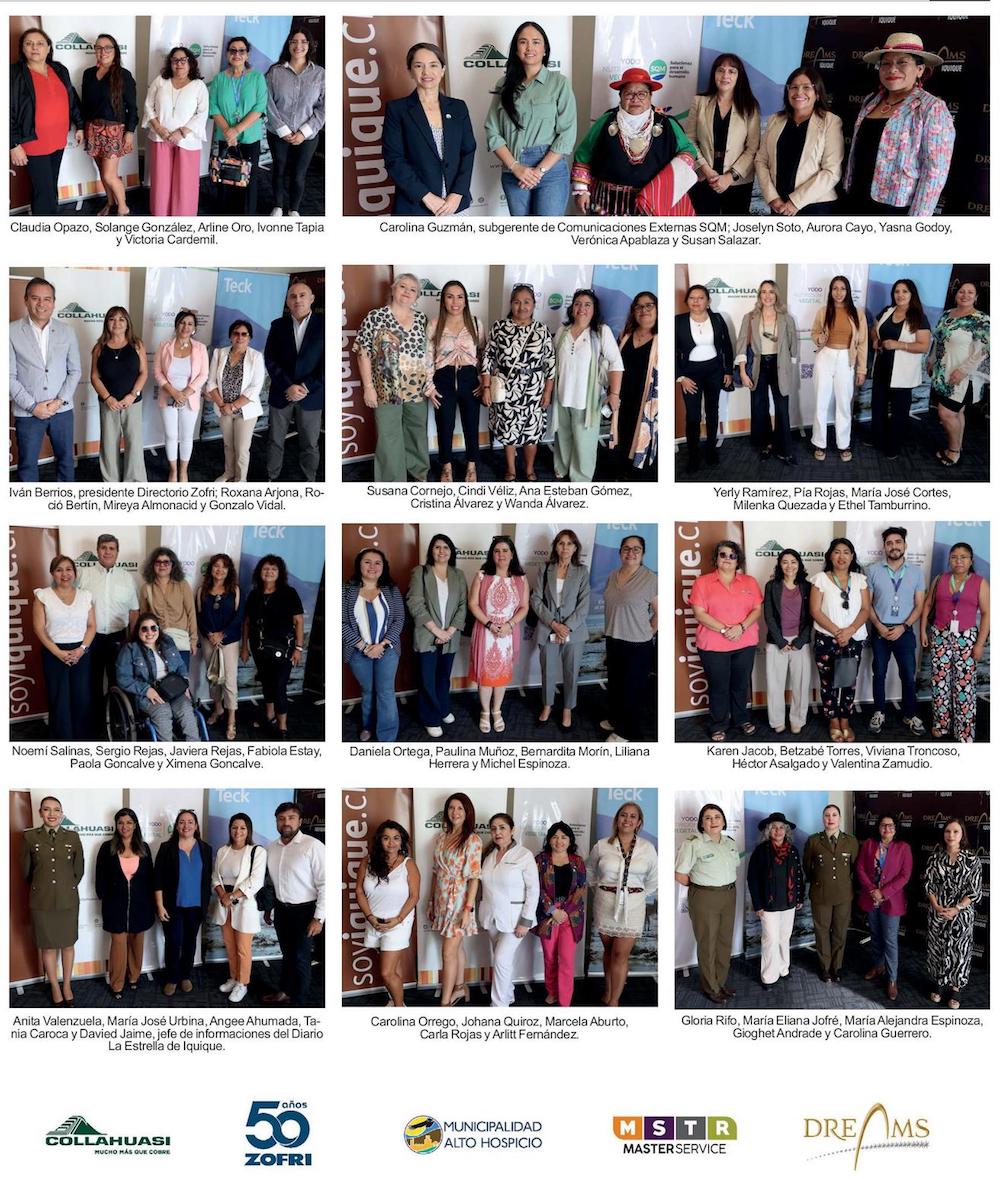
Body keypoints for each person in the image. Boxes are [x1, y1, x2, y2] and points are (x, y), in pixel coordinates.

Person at [845, 33, 955, 217]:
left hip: (895, 208)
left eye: (902, 62)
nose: (892, 69)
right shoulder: (870, 101)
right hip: (856, 198)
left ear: (920, 69)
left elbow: (934, 172)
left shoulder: (931, 107)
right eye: (886, 63)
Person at [572, 68, 697, 216]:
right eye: (629, 94)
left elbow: (688, 152)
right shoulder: (606, 121)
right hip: (607, 203)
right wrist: (581, 190)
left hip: (652, 205)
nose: (635, 99)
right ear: (620, 96)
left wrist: (664, 186)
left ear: (651, 96)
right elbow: (583, 154)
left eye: (642, 94)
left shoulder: (667, 124)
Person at [485, 23, 575, 217]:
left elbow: (567, 133)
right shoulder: (503, 85)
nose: (529, 47)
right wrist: (516, 167)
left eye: (536, 42)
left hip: (550, 169)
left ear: (545, 49)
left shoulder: (559, 83)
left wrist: (539, 171)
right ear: (516, 49)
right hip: (513, 168)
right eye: (523, 42)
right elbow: (492, 130)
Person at [354, 274, 435, 482]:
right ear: (393, 289)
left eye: (413, 289)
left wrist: (430, 383)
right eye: (402, 286)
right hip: (386, 388)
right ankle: (392, 481)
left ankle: (419, 472)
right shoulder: (375, 317)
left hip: (417, 389)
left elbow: (429, 354)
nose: (407, 292)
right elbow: (363, 353)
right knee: (389, 435)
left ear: (417, 296)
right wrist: (368, 387)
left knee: (416, 431)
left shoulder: (422, 319)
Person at [383, 42, 475, 216]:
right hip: (415, 206)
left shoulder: (458, 108)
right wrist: (426, 197)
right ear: (410, 71)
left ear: (443, 70)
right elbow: (394, 159)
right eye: (419, 66)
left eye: (433, 65)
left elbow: (468, 151)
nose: (426, 72)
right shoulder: (397, 110)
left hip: (455, 205)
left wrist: (457, 194)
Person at [481, 284, 556, 481]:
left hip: (534, 389)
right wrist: (486, 387)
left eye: (526, 302)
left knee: (532, 432)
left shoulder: (542, 330)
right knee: (509, 430)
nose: (521, 307)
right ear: (511, 303)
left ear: (534, 304)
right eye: (517, 302)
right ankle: (511, 469)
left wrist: (548, 392)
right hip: (506, 388)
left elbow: (550, 364)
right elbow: (487, 358)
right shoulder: (499, 327)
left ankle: (530, 469)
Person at [690, 540, 763, 742]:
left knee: (740, 685)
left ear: (738, 560)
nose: (728, 559)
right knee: (718, 687)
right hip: (713, 645)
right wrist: (724, 629)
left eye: (733, 555)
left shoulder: (750, 581)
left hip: (745, 643)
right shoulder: (702, 582)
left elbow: (757, 609)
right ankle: (719, 725)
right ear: (716, 558)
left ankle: (742, 719)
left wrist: (741, 627)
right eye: (723, 555)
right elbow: (699, 613)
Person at [10, 276, 81, 482]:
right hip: (27, 412)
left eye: (47, 299)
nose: (41, 304)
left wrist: (59, 401)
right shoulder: (9, 332)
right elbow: (7, 376)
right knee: (27, 465)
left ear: (53, 302)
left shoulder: (67, 331)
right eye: (35, 298)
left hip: (62, 410)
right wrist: (33, 407)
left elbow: (75, 371)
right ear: (26, 300)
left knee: (66, 461)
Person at [586, 802, 657, 1007]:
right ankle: (608, 992)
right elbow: (589, 870)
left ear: (639, 822)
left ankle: (614, 1002)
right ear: (617, 819)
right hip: (605, 903)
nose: (627, 819)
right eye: (623, 815)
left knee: (619, 954)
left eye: (633, 816)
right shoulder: (602, 845)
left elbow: (654, 879)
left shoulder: (647, 848)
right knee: (608, 952)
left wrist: (637, 895)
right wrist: (599, 890)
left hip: (632, 907)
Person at [920, 542, 991, 742]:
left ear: (971, 560)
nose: (958, 561)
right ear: (949, 560)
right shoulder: (940, 579)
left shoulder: (980, 582)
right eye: (954, 557)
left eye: (963, 557)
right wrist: (923, 631)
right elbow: (927, 605)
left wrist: (979, 644)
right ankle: (941, 724)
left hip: (966, 638)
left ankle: (964, 731)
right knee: (939, 683)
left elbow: (987, 614)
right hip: (940, 636)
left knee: (964, 686)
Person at [9, 27, 84, 215]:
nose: (35, 47)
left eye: (40, 43)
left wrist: (80, 125)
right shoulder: (13, 74)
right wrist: (13, 144)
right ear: (22, 49)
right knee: (44, 191)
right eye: (29, 43)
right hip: (33, 143)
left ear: (48, 48)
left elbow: (72, 100)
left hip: (57, 141)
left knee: (49, 186)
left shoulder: (59, 69)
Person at [552, 289, 624, 482]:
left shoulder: (601, 332)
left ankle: (581, 478)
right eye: (577, 304)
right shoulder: (562, 332)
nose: (581, 308)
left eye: (587, 304)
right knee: (563, 436)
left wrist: (614, 394)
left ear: (594, 309)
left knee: (584, 442)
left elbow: (616, 363)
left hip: (587, 399)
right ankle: (561, 467)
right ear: (571, 308)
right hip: (562, 396)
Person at [674, 803, 741, 1004]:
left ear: (724, 821)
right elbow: (680, 874)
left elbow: (734, 866)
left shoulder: (729, 842)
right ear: (701, 823)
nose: (713, 821)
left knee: (724, 941)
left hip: (729, 894)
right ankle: (711, 987)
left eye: (717, 817)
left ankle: (720, 982)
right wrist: (699, 887)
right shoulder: (693, 844)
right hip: (705, 897)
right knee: (708, 944)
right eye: (708, 818)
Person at [21, 796, 84, 1006]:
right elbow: (26, 872)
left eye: (56, 810)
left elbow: (78, 870)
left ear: (62, 814)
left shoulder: (73, 837)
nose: (52, 814)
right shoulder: (30, 837)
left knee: (68, 945)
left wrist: (63, 887)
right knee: (47, 948)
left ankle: (67, 985)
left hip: (67, 900)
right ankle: (55, 987)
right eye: (47, 809)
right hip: (42, 901)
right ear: (40, 812)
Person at [755, 67, 843, 216]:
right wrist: (772, 197)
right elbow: (760, 160)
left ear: (817, 93)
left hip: (815, 206)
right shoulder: (775, 120)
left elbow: (831, 171)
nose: (799, 92)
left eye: (806, 87)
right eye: (794, 87)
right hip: (778, 204)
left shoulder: (831, 122)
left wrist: (795, 202)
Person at [262, 802, 326, 1006]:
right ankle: (284, 992)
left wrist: (319, 918)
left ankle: (299, 1002)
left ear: (300, 821)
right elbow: (272, 882)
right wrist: (269, 908)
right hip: (282, 910)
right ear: (276, 822)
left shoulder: (313, 846)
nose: (286, 822)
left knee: (301, 959)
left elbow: (326, 884)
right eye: (281, 819)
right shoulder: (272, 848)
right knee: (287, 955)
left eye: (291, 818)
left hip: (306, 912)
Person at [865, 527, 926, 736]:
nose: (894, 546)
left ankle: (910, 713)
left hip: (905, 630)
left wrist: (904, 626)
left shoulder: (916, 572)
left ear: (905, 545)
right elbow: (867, 604)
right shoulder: (872, 570)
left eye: (898, 542)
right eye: (889, 543)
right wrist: (879, 626)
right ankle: (879, 712)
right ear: (884, 547)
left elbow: (919, 605)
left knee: (908, 675)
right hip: (880, 630)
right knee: (879, 673)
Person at [77, 534, 139, 736]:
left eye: (112, 548)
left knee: (118, 681)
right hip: (90, 637)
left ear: (117, 552)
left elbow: (134, 611)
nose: (107, 552)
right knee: (92, 682)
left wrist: (132, 640)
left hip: (119, 638)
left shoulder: (126, 577)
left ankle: (117, 723)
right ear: (97, 550)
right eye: (103, 547)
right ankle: (95, 727)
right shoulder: (83, 575)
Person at [406, 534, 467, 738]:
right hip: (427, 635)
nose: (442, 551)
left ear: (451, 551)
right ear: (431, 551)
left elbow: (462, 605)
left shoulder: (458, 574)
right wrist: (436, 631)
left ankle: (442, 708)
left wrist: (449, 632)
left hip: (450, 636)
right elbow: (415, 602)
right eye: (437, 547)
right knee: (427, 680)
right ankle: (430, 718)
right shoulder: (420, 572)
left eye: (446, 547)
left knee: (443, 677)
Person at [810, 539, 871, 743]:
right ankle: (833, 720)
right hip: (827, 639)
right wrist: (838, 632)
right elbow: (815, 611)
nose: (841, 556)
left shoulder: (860, 580)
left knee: (849, 682)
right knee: (828, 683)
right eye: (837, 552)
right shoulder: (820, 579)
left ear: (852, 556)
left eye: (846, 552)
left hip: (854, 639)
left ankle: (845, 720)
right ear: (830, 555)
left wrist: (850, 631)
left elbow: (866, 609)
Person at [264, 281, 325, 482]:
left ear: (312, 299)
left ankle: (309, 479)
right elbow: (270, 359)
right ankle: (272, 477)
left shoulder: (325, 325)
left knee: (310, 443)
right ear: (287, 301)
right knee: (275, 440)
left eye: (302, 295)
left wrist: (305, 387)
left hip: (312, 395)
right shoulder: (277, 325)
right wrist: (288, 386)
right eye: (293, 296)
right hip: (282, 392)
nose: (297, 299)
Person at [468, 536, 530, 734]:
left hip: (507, 635)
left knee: (501, 677)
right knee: (486, 677)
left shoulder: (521, 579)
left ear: (512, 554)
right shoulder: (481, 576)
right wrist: (489, 624)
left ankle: (497, 711)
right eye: (497, 551)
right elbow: (473, 604)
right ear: (492, 554)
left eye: (505, 550)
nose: (501, 554)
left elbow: (524, 607)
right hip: (485, 633)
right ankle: (485, 712)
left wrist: (509, 624)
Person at [355, 821, 420, 1007]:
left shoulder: (409, 864)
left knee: (386, 972)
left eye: (396, 838)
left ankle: (399, 1008)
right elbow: (359, 891)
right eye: (386, 838)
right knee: (393, 968)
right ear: (379, 840)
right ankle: (394, 1000)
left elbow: (414, 896)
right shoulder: (367, 862)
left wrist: (397, 920)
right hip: (374, 921)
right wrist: (370, 917)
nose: (391, 843)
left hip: (398, 923)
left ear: (402, 841)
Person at [686, 54, 760, 216]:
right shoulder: (699, 102)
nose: (725, 75)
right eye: (721, 70)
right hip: (705, 178)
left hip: (738, 181)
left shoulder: (750, 106)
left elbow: (753, 148)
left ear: (739, 76)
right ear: (714, 74)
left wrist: (730, 177)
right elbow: (689, 140)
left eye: (732, 71)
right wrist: (705, 169)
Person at [531, 530, 590, 732]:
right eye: (561, 543)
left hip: (575, 631)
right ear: (555, 546)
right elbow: (536, 599)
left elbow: (584, 604)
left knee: (571, 672)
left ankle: (567, 709)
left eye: (569, 543)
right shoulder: (545, 568)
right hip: (548, 629)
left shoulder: (582, 571)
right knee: (548, 670)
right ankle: (547, 706)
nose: (565, 547)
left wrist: (567, 627)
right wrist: (554, 624)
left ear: (575, 548)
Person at [479, 814, 540, 1008]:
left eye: (502, 827)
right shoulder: (488, 856)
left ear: (512, 830)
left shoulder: (524, 855)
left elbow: (533, 889)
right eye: (493, 828)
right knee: (503, 961)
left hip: (515, 920)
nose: (497, 832)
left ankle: (498, 1006)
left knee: (501, 959)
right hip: (491, 917)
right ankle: (509, 994)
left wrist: (526, 921)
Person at [343, 548, 404, 742]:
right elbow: (340, 623)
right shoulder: (346, 591)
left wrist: (382, 645)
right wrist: (364, 647)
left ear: (383, 567)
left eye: (378, 562)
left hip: (388, 650)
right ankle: (368, 726)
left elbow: (399, 620)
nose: (372, 566)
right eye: (367, 562)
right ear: (359, 565)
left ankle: (387, 737)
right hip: (358, 652)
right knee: (368, 691)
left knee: (385, 692)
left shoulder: (391, 589)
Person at [32, 555, 96, 742]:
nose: (64, 574)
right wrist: (57, 653)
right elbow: (39, 628)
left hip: (81, 652)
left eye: (69, 569)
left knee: (82, 697)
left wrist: (82, 649)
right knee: (59, 699)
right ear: (52, 573)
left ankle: (82, 740)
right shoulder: (42, 596)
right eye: (59, 570)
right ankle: (62, 740)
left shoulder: (85, 596)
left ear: (74, 573)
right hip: (54, 653)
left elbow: (91, 625)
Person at [735, 280, 800, 464]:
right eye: (763, 292)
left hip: (780, 365)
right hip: (758, 366)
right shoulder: (749, 317)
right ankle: (766, 444)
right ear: (759, 295)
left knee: (782, 409)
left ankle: (784, 449)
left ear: (776, 294)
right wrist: (743, 372)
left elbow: (793, 346)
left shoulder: (786, 318)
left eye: (771, 291)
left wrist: (789, 368)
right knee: (759, 407)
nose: (767, 295)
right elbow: (741, 344)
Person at [927, 282, 990, 469]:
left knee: (946, 413)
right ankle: (958, 445)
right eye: (962, 291)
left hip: (961, 375)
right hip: (942, 373)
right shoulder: (947, 314)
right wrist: (931, 359)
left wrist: (964, 370)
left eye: (970, 292)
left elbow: (985, 350)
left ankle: (953, 451)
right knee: (957, 412)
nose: (965, 295)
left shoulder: (982, 319)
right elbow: (938, 340)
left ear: (976, 297)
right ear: (956, 295)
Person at [243, 555, 306, 740]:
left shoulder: (289, 593)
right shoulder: (254, 594)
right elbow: (247, 622)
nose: (269, 572)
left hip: (284, 649)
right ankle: (269, 716)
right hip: (259, 648)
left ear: (280, 573)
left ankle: (282, 727)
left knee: (279, 686)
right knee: (267, 683)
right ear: (259, 572)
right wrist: (244, 647)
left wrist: (299, 648)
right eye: (265, 568)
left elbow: (299, 621)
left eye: (273, 569)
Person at [94, 808, 155, 999]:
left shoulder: (144, 848)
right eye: (121, 822)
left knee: (137, 944)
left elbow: (151, 878)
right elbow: (100, 876)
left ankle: (134, 976)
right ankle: (117, 984)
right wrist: (104, 897)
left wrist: (151, 904)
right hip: (115, 907)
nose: (125, 826)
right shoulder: (107, 848)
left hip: (141, 906)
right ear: (116, 825)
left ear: (135, 825)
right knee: (118, 947)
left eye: (129, 822)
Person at [602, 535, 658, 743]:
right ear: (620, 552)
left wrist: (647, 634)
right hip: (613, 638)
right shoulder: (612, 575)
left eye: (636, 549)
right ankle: (616, 720)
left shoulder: (651, 579)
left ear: (643, 553)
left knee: (631, 691)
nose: (631, 552)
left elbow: (659, 613)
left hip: (637, 644)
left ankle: (627, 732)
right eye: (626, 548)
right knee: (616, 685)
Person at [265, 26, 326, 217]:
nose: (298, 46)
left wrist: (303, 132)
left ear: (310, 45)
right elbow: (267, 102)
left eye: (303, 42)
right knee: (279, 169)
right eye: (294, 41)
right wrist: (282, 129)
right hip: (277, 132)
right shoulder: (275, 72)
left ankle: (294, 209)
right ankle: (277, 206)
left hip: (307, 135)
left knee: (299, 174)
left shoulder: (321, 74)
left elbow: (324, 107)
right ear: (288, 44)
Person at [428, 793, 482, 1006]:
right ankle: (460, 988)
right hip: (441, 900)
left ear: (467, 812)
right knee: (456, 948)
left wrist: (467, 909)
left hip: (459, 903)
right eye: (451, 807)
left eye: (460, 808)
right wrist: (431, 901)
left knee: (448, 953)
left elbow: (474, 878)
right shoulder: (441, 837)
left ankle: (444, 1002)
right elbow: (435, 872)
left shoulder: (472, 839)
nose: (455, 812)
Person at [142, 47, 209, 217]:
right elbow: (148, 105)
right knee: (161, 179)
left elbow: (202, 113)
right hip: (161, 138)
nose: (179, 64)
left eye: (183, 60)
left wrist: (182, 132)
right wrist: (159, 128)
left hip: (187, 141)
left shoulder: (199, 85)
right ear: (170, 63)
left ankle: (182, 215)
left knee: (185, 181)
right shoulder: (160, 81)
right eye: (175, 60)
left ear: (190, 62)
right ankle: (160, 213)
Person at [428, 280, 484, 482]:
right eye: (450, 296)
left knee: (471, 425)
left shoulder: (476, 323)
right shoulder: (434, 324)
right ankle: (446, 467)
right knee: (445, 426)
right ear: (443, 300)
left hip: (470, 380)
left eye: (460, 297)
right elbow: (427, 356)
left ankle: (471, 466)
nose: (455, 302)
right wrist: (429, 386)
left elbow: (483, 353)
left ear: (466, 300)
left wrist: (482, 380)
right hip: (443, 380)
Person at [869, 279, 931, 458]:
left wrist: (899, 345)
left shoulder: (919, 317)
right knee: (878, 408)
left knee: (899, 414)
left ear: (912, 294)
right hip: (881, 369)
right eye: (897, 291)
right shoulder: (887, 311)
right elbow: (874, 329)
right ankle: (877, 439)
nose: (900, 295)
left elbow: (924, 346)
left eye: (905, 291)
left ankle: (893, 447)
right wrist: (875, 339)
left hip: (903, 374)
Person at [924, 819, 983, 1010]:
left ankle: (956, 988)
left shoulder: (972, 860)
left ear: (962, 834)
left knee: (959, 952)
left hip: (961, 915)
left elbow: (974, 891)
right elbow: (929, 885)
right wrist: (937, 907)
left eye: (955, 831)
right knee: (938, 948)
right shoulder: (935, 858)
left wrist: (957, 908)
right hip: (938, 913)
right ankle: (939, 983)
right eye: (948, 831)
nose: (951, 835)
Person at [153, 810, 213, 996]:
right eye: (182, 822)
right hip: (173, 907)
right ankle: (172, 978)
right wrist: (160, 905)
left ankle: (185, 975)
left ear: (196, 825)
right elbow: (157, 879)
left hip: (196, 907)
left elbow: (207, 879)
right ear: (177, 826)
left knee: (189, 942)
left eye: (190, 822)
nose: (186, 825)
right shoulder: (166, 848)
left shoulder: (205, 849)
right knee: (173, 942)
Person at [115, 612, 201, 741]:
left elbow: (180, 665)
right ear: (138, 630)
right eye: (144, 629)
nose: (149, 632)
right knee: (163, 712)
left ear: (158, 629)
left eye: (153, 628)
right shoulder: (130, 649)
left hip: (173, 688)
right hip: (148, 692)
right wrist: (146, 690)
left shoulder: (167, 642)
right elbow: (123, 679)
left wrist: (184, 683)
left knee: (186, 710)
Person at [210, 812, 266, 1004]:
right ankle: (233, 977)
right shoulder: (222, 851)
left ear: (248, 830)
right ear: (229, 829)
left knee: (243, 948)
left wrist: (232, 896)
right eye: (234, 827)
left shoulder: (257, 851)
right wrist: (222, 896)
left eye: (242, 828)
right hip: (224, 905)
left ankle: (243, 983)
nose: (238, 831)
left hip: (243, 905)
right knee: (230, 946)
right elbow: (215, 878)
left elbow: (256, 881)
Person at [810, 276, 868, 462]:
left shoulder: (857, 313)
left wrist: (862, 369)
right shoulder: (823, 311)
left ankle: (844, 444)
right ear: (831, 291)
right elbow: (814, 332)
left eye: (843, 288)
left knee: (844, 403)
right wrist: (818, 338)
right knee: (820, 401)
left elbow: (862, 343)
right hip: (825, 357)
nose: (839, 292)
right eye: (835, 288)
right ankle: (819, 442)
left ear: (848, 291)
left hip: (846, 359)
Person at [675, 285, 733, 472]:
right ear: (687, 301)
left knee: (712, 411)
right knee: (693, 415)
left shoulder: (717, 319)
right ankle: (693, 454)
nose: (696, 301)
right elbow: (670, 350)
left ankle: (710, 449)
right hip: (689, 374)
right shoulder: (678, 321)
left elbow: (727, 346)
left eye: (700, 298)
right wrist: (680, 377)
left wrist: (728, 371)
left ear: (708, 301)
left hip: (714, 371)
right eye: (692, 297)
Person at [208, 36, 267, 215]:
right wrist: (228, 131)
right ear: (227, 54)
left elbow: (260, 107)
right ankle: (225, 214)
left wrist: (236, 130)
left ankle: (247, 215)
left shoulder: (257, 78)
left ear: (247, 55)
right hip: (225, 136)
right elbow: (213, 106)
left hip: (249, 137)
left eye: (241, 51)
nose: (237, 54)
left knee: (248, 179)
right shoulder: (219, 79)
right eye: (233, 50)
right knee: (225, 176)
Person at [856, 814, 913, 1001]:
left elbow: (905, 875)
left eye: (890, 825)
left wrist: (884, 892)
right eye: (883, 825)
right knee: (875, 935)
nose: (887, 829)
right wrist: (872, 890)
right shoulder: (869, 845)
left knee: (890, 940)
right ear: (878, 827)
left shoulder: (903, 848)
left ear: (896, 828)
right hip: (871, 898)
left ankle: (892, 979)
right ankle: (878, 966)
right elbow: (860, 869)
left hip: (891, 900)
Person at [81, 33, 137, 217]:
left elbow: (132, 108)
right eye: (98, 47)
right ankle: (110, 203)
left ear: (115, 51)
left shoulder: (123, 75)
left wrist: (130, 133)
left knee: (109, 175)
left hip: (114, 130)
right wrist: (82, 128)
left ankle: (123, 208)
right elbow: (85, 104)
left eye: (107, 48)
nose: (102, 51)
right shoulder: (88, 74)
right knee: (102, 171)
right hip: (93, 129)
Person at [802, 805, 859, 983]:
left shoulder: (851, 841)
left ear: (839, 818)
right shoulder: (813, 841)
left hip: (843, 895)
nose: (830, 818)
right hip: (821, 895)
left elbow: (854, 868)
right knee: (822, 932)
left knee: (840, 932)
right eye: (827, 815)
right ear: (823, 819)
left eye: (834, 815)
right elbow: (807, 867)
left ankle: (836, 967)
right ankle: (825, 967)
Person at [747, 813, 804, 989]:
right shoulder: (761, 851)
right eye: (774, 827)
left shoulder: (793, 850)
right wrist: (758, 905)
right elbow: (752, 879)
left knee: (784, 937)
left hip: (789, 903)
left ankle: (783, 969)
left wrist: (799, 897)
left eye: (781, 827)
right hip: (768, 905)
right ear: (768, 831)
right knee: (770, 939)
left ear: (786, 831)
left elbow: (798, 875)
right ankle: (769, 976)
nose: (778, 831)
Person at [534, 821, 588, 1007]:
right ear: (549, 840)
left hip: (570, 916)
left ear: (570, 840)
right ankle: (552, 991)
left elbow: (581, 888)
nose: (559, 841)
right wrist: (553, 911)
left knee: (566, 960)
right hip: (547, 915)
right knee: (549, 958)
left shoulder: (577, 861)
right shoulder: (540, 860)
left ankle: (565, 1001)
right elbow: (536, 888)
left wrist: (563, 912)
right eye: (555, 837)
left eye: (564, 837)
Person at [90, 305, 147, 482]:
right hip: (108, 404)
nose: (117, 323)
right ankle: (111, 481)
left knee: (134, 443)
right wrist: (107, 398)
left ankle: (134, 481)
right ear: (106, 323)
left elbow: (144, 373)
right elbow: (94, 376)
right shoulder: (99, 348)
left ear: (127, 323)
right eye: (112, 319)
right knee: (108, 444)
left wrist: (133, 395)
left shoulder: (137, 345)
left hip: (133, 403)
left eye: (121, 319)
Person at [205, 319, 265, 483]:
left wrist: (232, 406)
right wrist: (222, 405)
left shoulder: (256, 357)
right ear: (230, 336)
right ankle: (229, 473)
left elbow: (255, 388)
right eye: (236, 333)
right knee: (228, 445)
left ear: (249, 337)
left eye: (244, 334)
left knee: (242, 448)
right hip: (223, 409)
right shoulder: (219, 353)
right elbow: (211, 382)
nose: (240, 337)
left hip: (245, 411)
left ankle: (240, 480)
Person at [153, 308, 209, 483]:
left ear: (194, 328)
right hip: (168, 396)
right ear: (176, 325)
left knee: (186, 436)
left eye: (190, 323)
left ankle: (183, 471)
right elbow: (157, 372)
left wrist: (184, 394)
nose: (186, 326)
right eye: (182, 323)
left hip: (189, 399)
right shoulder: (164, 346)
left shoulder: (200, 348)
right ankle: (173, 471)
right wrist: (173, 392)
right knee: (171, 435)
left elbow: (203, 375)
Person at [762, 548, 812, 734]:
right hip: (777, 642)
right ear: (779, 565)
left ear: (799, 564)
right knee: (775, 684)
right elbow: (768, 615)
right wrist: (781, 641)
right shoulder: (771, 586)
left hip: (800, 642)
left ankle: (798, 719)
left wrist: (800, 641)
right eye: (785, 562)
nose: (789, 566)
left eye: (793, 562)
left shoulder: (807, 586)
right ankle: (776, 720)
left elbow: (812, 617)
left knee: (801, 684)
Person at [196, 554, 243, 741]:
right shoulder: (202, 591)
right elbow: (199, 617)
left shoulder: (235, 591)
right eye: (216, 566)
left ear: (229, 570)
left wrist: (222, 634)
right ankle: (218, 709)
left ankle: (231, 720)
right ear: (211, 569)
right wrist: (210, 634)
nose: (220, 570)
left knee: (229, 681)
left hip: (229, 641)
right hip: (209, 640)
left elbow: (239, 617)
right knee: (214, 677)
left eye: (224, 567)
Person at [614, 292, 658, 480]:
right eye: (639, 306)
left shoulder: (662, 338)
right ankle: (624, 473)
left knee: (642, 440)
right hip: (623, 399)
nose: (644, 310)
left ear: (657, 309)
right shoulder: (625, 336)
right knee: (623, 437)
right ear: (633, 311)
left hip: (647, 403)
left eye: (649, 305)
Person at [139, 546, 198, 670]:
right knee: (161, 678)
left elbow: (191, 612)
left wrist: (193, 640)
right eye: (158, 562)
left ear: (172, 565)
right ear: (152, 565)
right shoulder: (146, 588)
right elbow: (143, 618)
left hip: (180, 640)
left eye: (166, 562)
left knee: (181, 678)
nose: (162, 565)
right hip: (157, 640)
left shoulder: (182, 585)